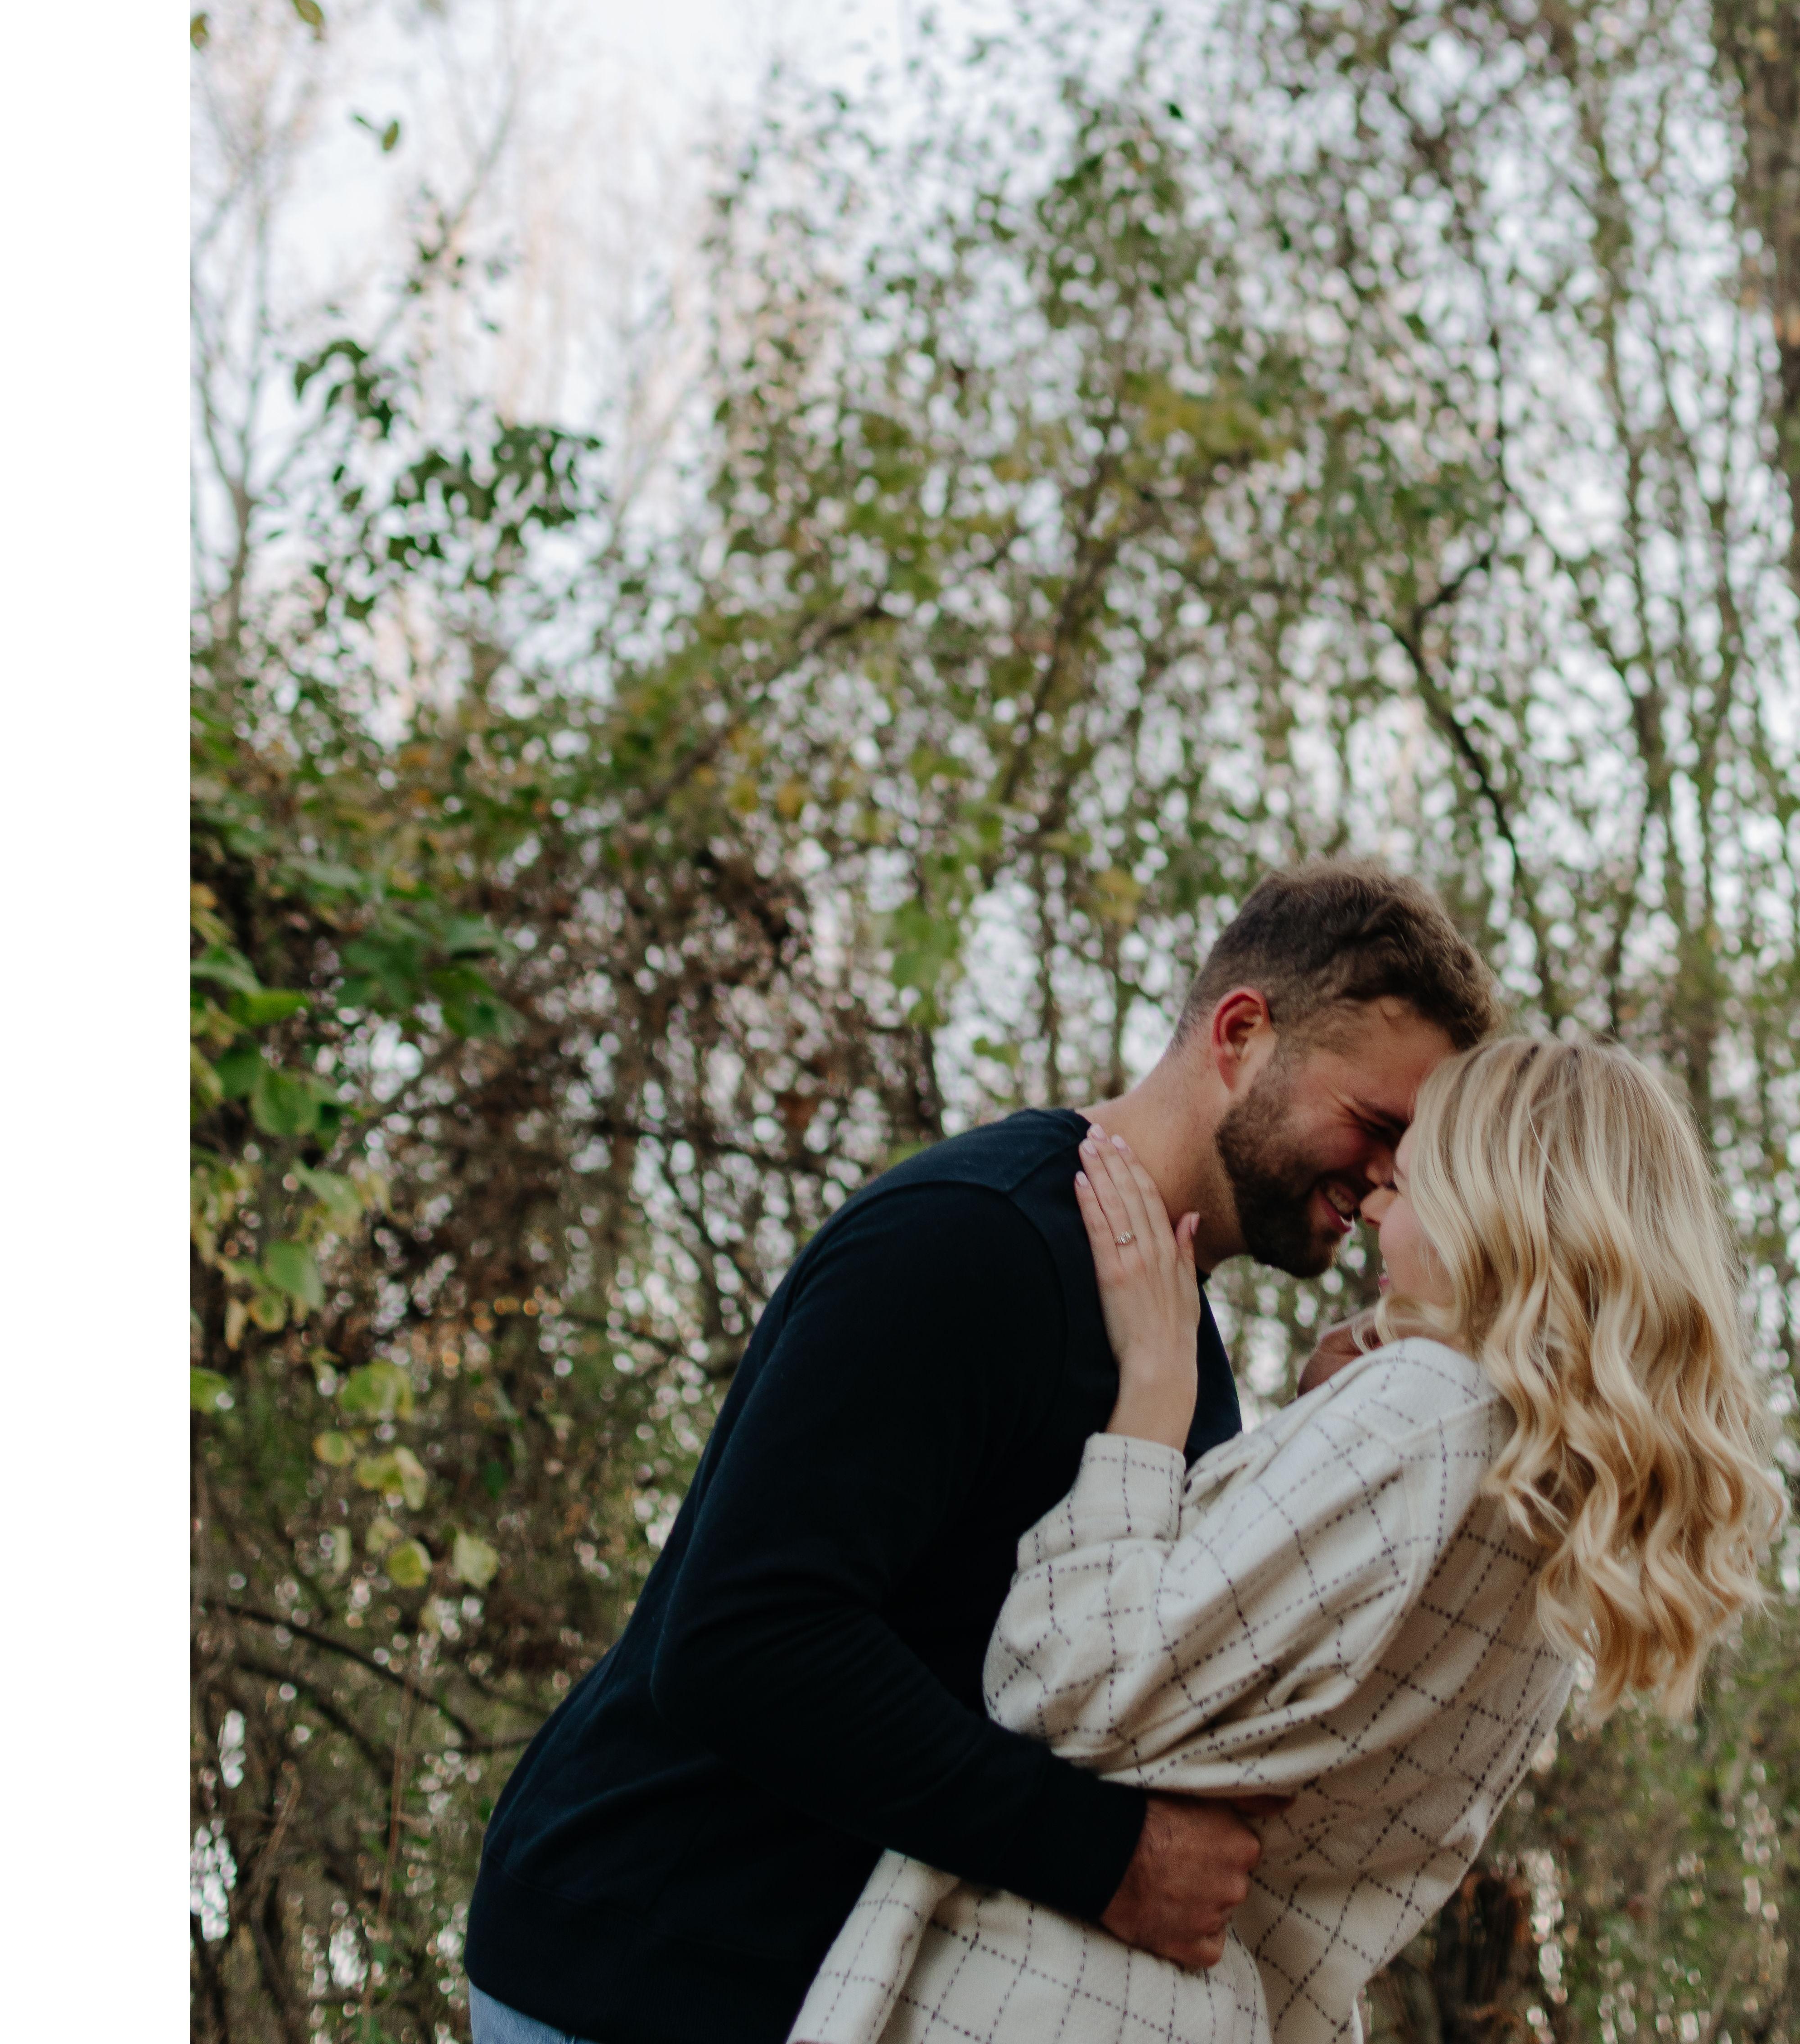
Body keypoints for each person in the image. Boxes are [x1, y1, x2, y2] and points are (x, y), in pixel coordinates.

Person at [463, 861, 1502, 2044]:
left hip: (825, 1991)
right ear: (1241, 1033)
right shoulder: (967, 1243)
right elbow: (740, 1641)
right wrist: (1110, 1858)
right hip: (639, 1969)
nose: (1387, 1181)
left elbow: (1115, 1675)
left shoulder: (1178, 1351)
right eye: (1378, 1126)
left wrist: (1313, 1448)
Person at [791, 1034, 1782, 2044]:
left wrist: (1152, 1404)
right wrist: (1309, 1437)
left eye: (1410, 1178)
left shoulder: (1427, 1413)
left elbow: (1062, 1684)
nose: (1378, 1205)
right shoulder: (1558, 1514)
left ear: (1497, 1206)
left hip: (1051, 1996)